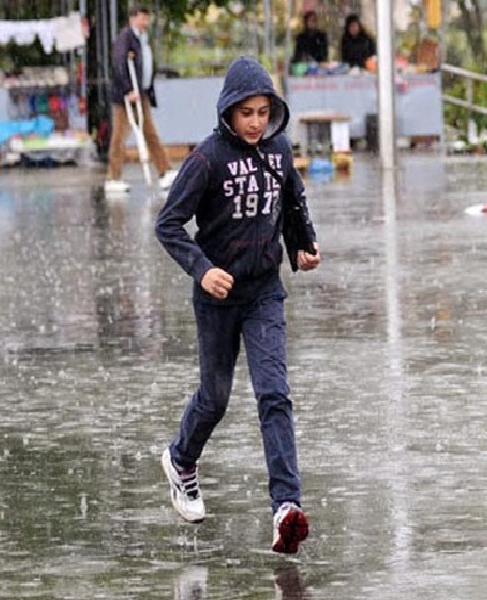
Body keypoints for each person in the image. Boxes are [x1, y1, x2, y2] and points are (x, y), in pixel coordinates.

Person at [154, 56, 320, 554]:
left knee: (275, 395)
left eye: (263, 112)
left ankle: (286, 507)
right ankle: (182, 459)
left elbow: (292, 202)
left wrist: (302, 244)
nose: (255, 122)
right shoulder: (206, 160)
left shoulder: (278, 151)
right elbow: (168, 225)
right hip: (217, 297)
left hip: (264, 291)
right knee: (216, 397)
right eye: (245, 112)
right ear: (227, 111)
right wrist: (203, 269)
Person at [105, 5, 177, 194]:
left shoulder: (143, 39)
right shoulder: (126, 37)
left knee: (150, 132)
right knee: (119, 135)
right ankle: (113, 177)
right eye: (142, 18)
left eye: (147, 18)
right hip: (127, 96)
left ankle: (165, 170)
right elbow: (119, 63)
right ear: (132, 18)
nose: (145, 22)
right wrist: (128, 89)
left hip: (142, 93)